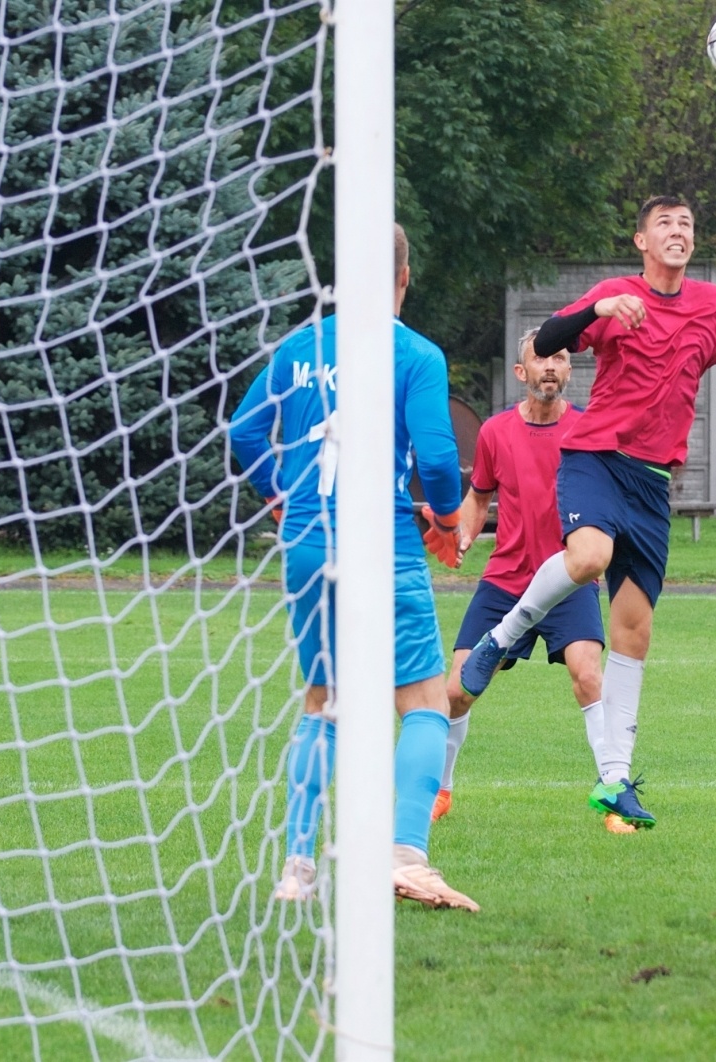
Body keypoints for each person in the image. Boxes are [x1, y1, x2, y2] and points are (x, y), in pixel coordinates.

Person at [458, 195, 716, 829]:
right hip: (596, 458)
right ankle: (501, 639)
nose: (678, 231)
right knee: (590, 557)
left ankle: (615, 780)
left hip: (652, 483)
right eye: (665, 223)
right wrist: (599, 309)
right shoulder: (616, 295)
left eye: (686, 224)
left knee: (634, 634)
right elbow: (550, 338)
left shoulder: (715, 307)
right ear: (642, 240)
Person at [228, 224, 478, 911]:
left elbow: (244, 432)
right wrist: (447, 521)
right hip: (383, 541)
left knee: (324, 701)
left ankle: (298, 868)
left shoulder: (298, 348)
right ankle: (406, 857)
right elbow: (437, 458)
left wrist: (281, 497)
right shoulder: (414, 353)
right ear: (404, 277)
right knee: (423, 702)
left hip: (309, 541)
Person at [436, 328, 626, 830]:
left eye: (559, 358)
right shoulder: (495, 432)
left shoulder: (587, 430)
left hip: (568, 577)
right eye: (540, 359)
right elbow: (480, 496)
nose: (550, 366)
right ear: (522, 372)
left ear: (569, 370)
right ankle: (441, 790)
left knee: (588, 676)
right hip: (507, 580)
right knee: (456, 691)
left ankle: (615, 794)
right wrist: (463, 533)